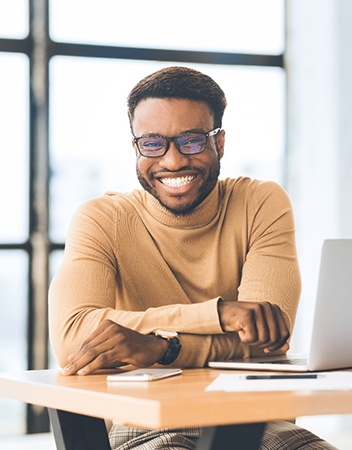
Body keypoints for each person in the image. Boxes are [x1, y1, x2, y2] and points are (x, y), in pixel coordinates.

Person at [48, 66, 337, 450]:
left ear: (220, 143)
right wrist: (220, 315)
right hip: (144, 421)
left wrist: (160, 348)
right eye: (152, 143)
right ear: (135, 147)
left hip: (255, 419)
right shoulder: (103, 218)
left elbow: (266, 340)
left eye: (192, 141)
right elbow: (73, 337)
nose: (172, 161)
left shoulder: (260, 203)